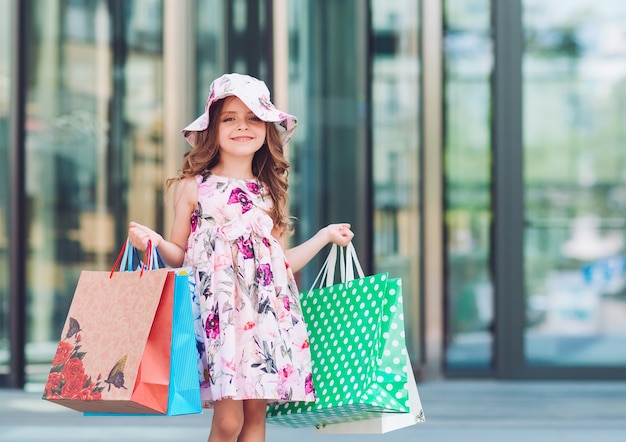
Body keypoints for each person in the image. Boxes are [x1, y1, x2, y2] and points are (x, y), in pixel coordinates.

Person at [128, 73, 354, 442]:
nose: (242, 127)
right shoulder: (193, 187)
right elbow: (178, 256)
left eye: (252, 118)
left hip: (265, 320)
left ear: (267, 129)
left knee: (255, 422)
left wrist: (324, 237)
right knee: (229, 422)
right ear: (212, 128)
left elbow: (280, 263)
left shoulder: (269, 192)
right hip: (220, 321)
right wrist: (151, 243)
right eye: (230, 118)